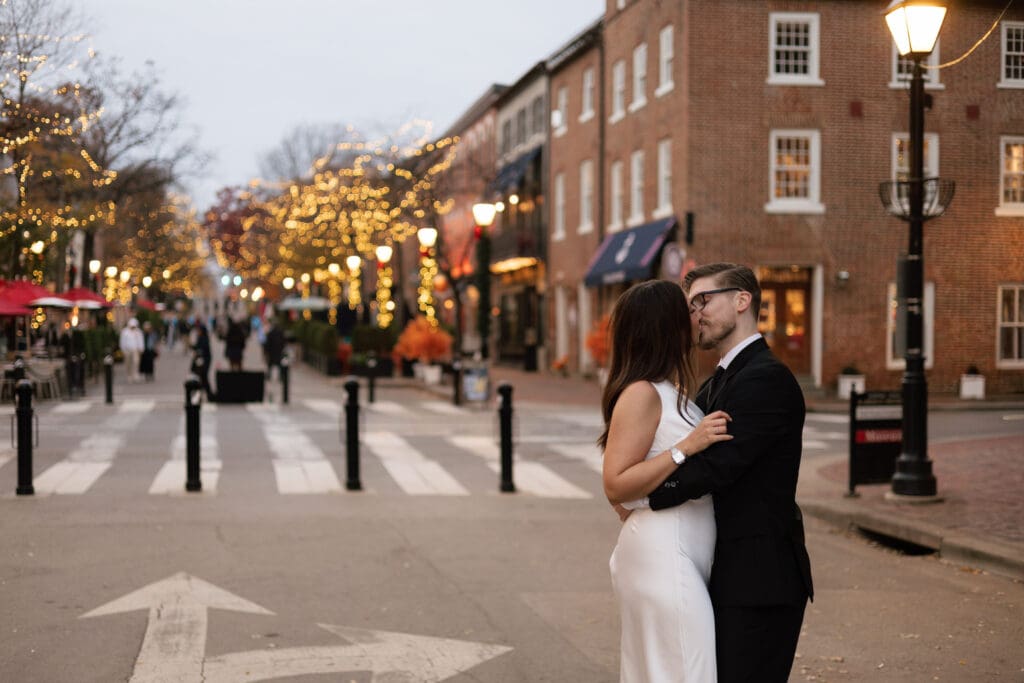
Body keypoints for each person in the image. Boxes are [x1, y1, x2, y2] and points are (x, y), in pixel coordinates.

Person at [647, 263, 814, 683]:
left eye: (703, 300)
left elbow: (717, 468)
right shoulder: (717, 381)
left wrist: (645, 491)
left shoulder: (766, 379)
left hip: (759, 580)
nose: (695, 313)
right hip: (727, 574)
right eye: (690, 305)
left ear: (742, 301)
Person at [600, 280, 735, 682]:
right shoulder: (642, 393)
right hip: (663, 558)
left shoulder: (665, 390)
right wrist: (686, 447)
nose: (697, 315)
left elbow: (628, 494)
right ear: (666, 325)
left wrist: (639, 503)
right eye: (688, 309)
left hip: (678, 552)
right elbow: (615, 484)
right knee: (684, 672)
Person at [190, 323, 214, 400]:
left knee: (202, 378)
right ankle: (206, 395)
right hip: (201, 361)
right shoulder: (201, 337)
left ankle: (206, 395)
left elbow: (202, 350)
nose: (198, 331)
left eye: (199, 330)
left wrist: (195, 348)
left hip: (203, 361)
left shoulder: (203, 338)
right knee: (202, 379)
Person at [119, 318, 144, 383]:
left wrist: (141, 348)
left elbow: (140, 340)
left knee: (136, 362)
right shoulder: (125, 332)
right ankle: (129, 375)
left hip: (135, 350)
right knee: (128, 363)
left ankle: (135, 374)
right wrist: (123, 349)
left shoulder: (138, 331)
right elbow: (122, 341)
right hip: (127, 350)